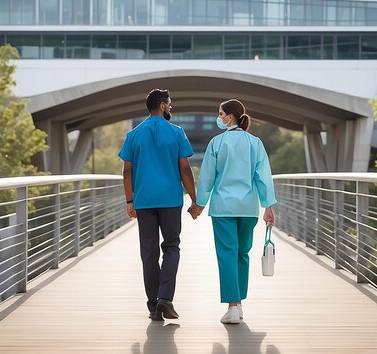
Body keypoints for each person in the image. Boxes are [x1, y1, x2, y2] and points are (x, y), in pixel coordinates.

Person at [191, 98, 276, 324]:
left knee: (227, 253)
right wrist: (268, 205)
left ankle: (233, 306)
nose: (218, 118)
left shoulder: (217, 143)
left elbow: (207, 177)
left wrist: (199, 204)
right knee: (242, 254)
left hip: (223, 208)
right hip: (248, 208)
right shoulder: (255, 143)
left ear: (230, 116)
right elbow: (263, 176)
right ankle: (238, 304)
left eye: (220, 114)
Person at [118, 89, 201, 322]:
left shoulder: (134, 134)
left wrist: (129, 201)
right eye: (170, 104)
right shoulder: (176, 132)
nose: (171, 108)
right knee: (172, 247)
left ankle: (154, 306)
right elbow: (185, 169)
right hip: (171, 200)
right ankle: (165, 298)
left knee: (149, 253)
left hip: (144, 202)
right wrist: (195, 201)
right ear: (163, 106)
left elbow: (126, 171)